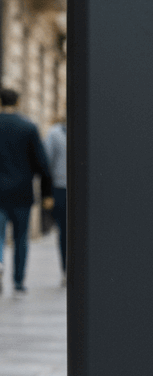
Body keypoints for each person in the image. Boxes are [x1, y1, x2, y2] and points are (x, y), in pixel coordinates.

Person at [0, 89, 53, 294]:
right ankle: (18, 281)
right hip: (22, 193)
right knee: (21, 238)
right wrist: (47, 193)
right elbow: (42, 164)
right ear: (18, 102)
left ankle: (0, 264)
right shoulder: (28, 127)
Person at [44, 111, 67, 282]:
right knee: (64, 230)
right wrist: (47, 193)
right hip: (61, 188)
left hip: (65, 187)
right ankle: (66, 269)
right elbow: (46, 163)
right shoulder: (54, 133)